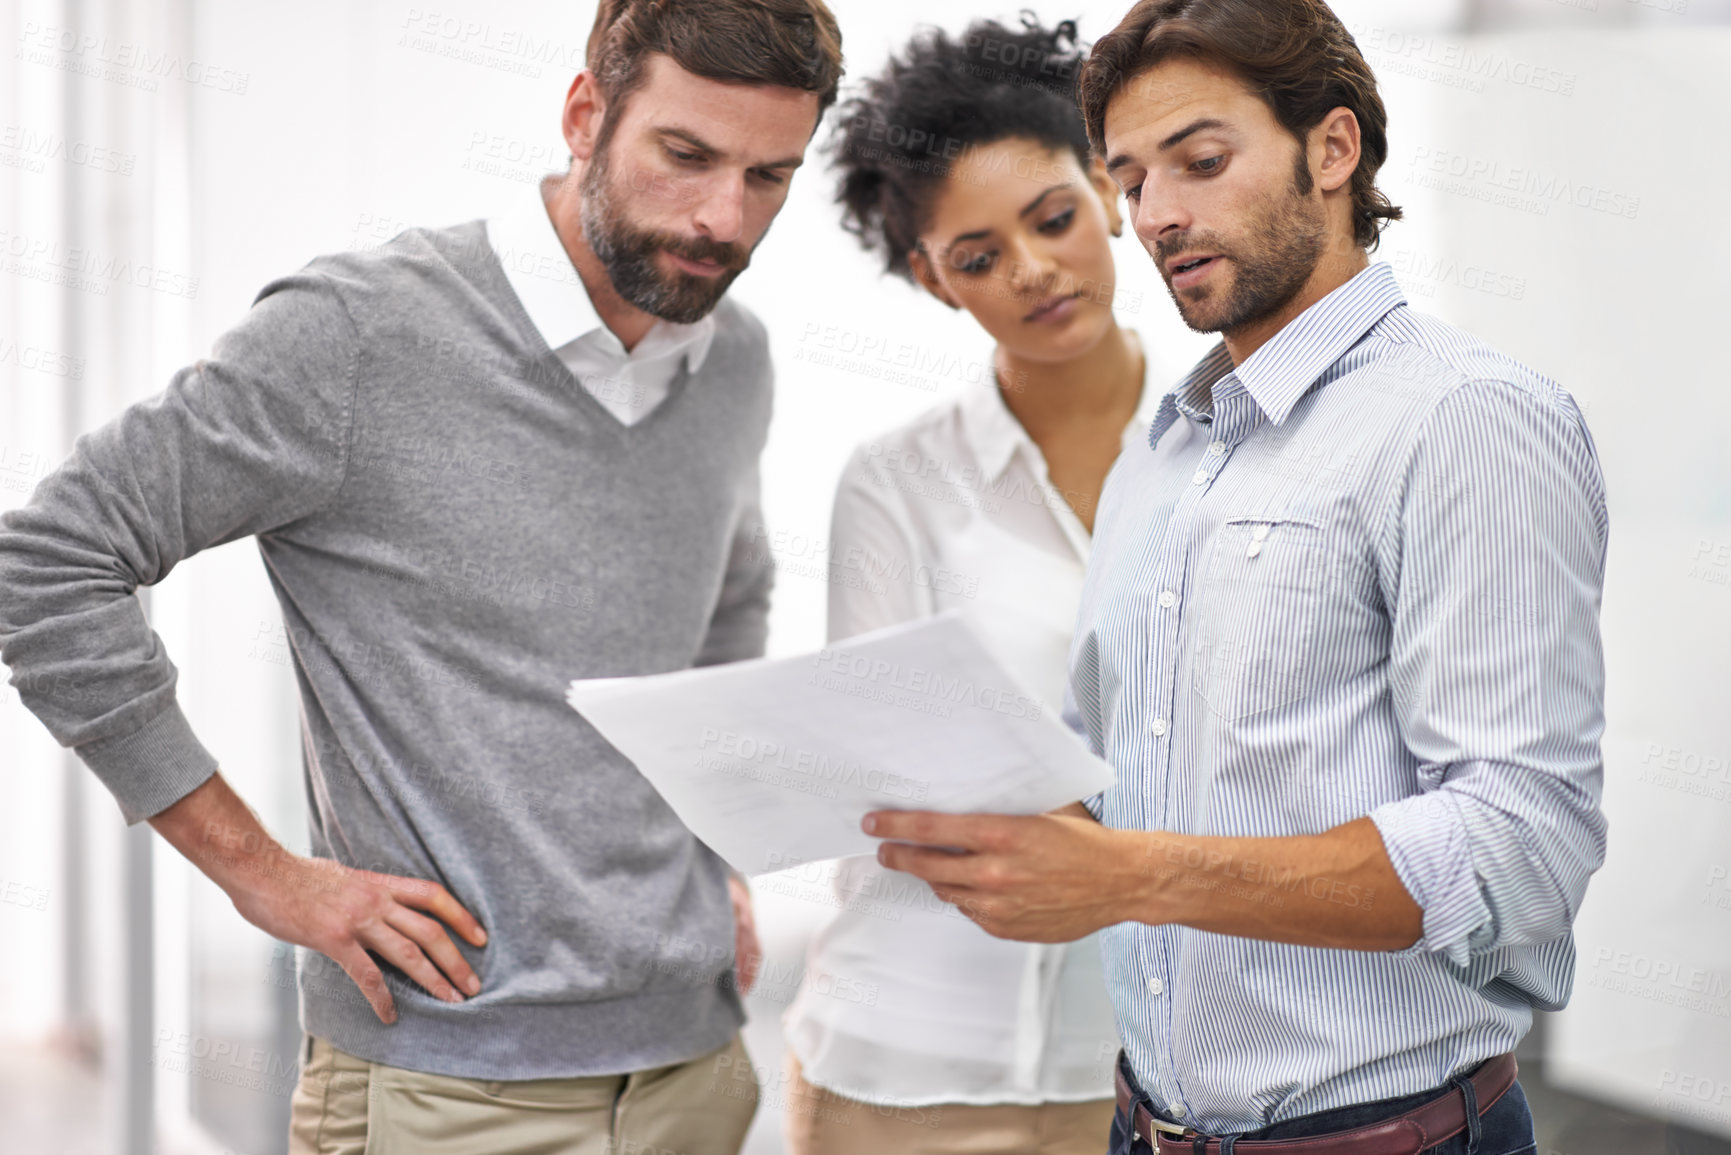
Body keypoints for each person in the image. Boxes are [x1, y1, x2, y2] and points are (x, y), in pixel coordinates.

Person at [0, 2, 842, 1153]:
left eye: (769, 176)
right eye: (685, 156)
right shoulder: (356, 336)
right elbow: (48, 563)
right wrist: (262, 875)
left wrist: (711, 849)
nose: (722, 218)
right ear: (585, 114)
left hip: (692, 1070)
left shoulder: (732, 353)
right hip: (444, 1086)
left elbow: (724, 605)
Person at [862, 2, 1609, 1154]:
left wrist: (1128, 873)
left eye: (1202, 162)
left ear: (1333, 149)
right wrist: (1011, 833)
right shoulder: (1162, 456)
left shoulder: (1464, 421)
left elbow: (1520, 851)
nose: (1157, 213)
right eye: (1131, 177)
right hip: (1145, 1127)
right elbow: (1116, 785)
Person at [780, 17, 1151, 1155]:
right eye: (978, 257)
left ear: (1105, 188)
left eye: (1052, 219)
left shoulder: (1227, 451)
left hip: (1154, 1066)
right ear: (933, 282)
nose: (1034, 271)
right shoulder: (898, 484)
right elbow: (890, 780)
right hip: (904, 1069)